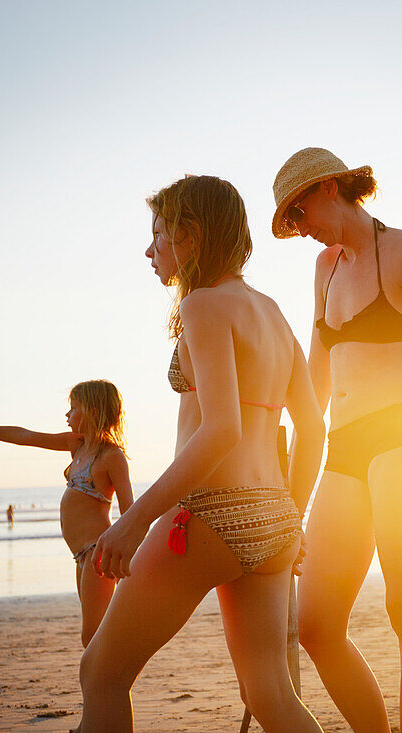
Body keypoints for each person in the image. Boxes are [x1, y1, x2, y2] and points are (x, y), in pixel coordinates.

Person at [76, 174, 324, 733]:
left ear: (190, 235)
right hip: (273, 519)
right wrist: (294, 519)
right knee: (270, 694)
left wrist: (133, 522)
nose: (150, 250)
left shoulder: (204, 308)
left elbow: (220, 432)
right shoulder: (273, 314)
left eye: (159, 234)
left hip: (210, 513)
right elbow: (312, 426)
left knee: (101, 673)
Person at [271, 148, 402, 733]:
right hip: (345, 442)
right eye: (291, 219)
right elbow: (316, 371)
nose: (300, 226)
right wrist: (287, 469)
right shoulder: (324, 269)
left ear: (331, 188)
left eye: (300, 209)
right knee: (315, 626)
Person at [0, 379, 134, 647]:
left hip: (98, 552)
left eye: (73, 408)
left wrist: (123, 557)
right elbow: (24, 436)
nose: (67, 415)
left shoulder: (111, 457)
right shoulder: (77, 445)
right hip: (82, 556)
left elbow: (130, 512)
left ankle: (109, 684)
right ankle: (109, 682)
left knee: (92, 636)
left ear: (93, 411)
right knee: (96, 636)